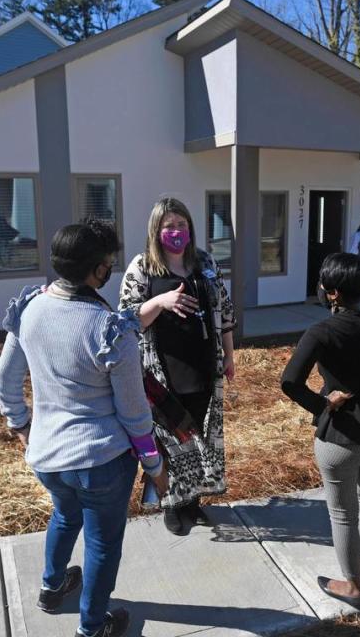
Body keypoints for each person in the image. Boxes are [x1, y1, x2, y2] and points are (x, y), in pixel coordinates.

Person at [0, 220, 168, 637]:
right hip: (102, 461)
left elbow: (4, 380)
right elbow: (134, 414)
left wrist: (21, 427)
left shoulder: (30, 308)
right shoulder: (111, 330)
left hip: (47, 457)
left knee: (64, 515)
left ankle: (51, 588)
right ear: (99, 271)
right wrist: (155, 466)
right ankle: (92, 628)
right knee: (103, 545)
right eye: (109, 263)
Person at [280, 253, 360, 610]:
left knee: (343, 513)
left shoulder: (321, 332)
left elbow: (289, 382)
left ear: (331, 293)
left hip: (340, 439)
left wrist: (323, 404)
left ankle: (352, 585)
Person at [118, 197, 235, 535]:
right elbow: (126, 321)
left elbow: (225, 311)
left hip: (203, 366)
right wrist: (160, 301)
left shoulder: (204, 262)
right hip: (162, 372)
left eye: (181, 225)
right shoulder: (143, 267)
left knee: (198, 436)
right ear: (156, 230)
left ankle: (193, 501)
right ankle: (171, 504)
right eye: (169, 226)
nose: (176, 231)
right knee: (168, 439)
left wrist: (228, 355)